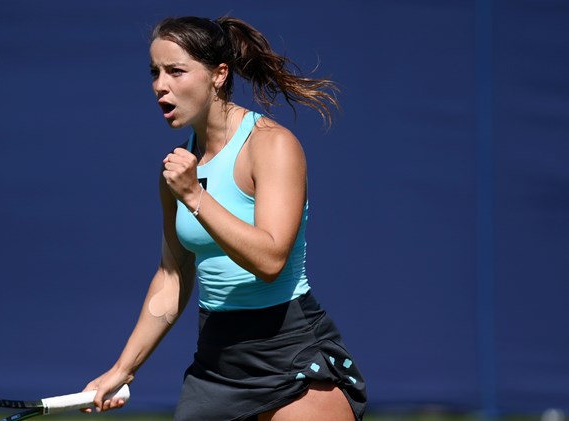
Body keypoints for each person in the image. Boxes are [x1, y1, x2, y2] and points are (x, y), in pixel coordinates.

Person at [83, 16, 367, 421]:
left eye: (175, 71)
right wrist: (122, 369)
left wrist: (196, 196)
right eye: (154, 72)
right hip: (216, 363)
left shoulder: (271, 145)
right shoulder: (179, 169)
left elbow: (270, 261)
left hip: (288, 352)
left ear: (219, 75)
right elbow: (173, 275)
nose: (159, 85)